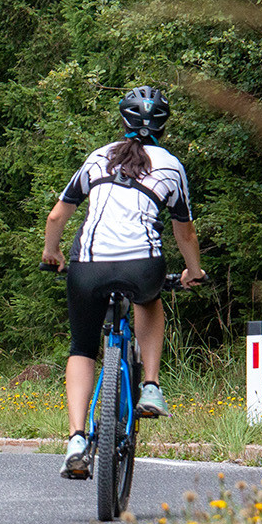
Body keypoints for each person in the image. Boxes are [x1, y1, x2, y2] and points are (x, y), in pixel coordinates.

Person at [40, 86, 206, 480]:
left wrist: (53, 254)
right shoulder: (170, 165)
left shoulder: (97, 157)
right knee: (150, 300)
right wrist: (194, 272)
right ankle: (150, 385)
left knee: (82, 346)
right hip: (142, 267)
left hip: (87, 267)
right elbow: (185, 234)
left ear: (124, 121)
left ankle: (77, 440)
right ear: (163, 127)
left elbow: (56, 218)